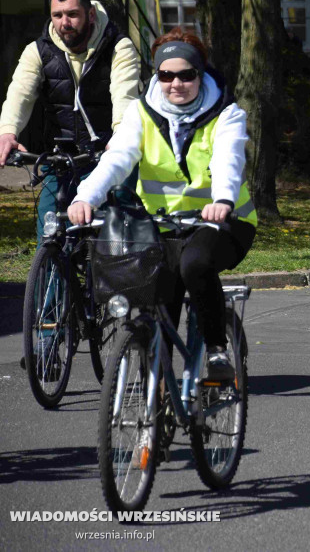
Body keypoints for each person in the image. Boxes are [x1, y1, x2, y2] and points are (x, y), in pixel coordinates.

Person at [67, 28, 257, 381]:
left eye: (186, 75)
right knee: (156, 301)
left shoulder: (227, 114)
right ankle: (156, 405)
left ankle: (216, 353)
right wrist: (85, 196)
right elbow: (118, 159)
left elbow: (228, 159)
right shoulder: (141, 113)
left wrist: (223, 199)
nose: (176, 84)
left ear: (200, 74)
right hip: (162, 224)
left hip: (223, 222)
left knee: (195, 264)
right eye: (165, 75)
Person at [0, 0, 140, 241]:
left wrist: (120, 138)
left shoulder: (118, 48)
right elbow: (20, 93)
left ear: (90, 15)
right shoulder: (38, 51)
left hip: (107, 154)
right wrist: (8, 132)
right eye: (57, 15)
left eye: (72, 14)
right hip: (61, 157)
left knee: (116, 228)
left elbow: (125, 97)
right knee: (49, 223)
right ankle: (52, 276)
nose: (64, 22)